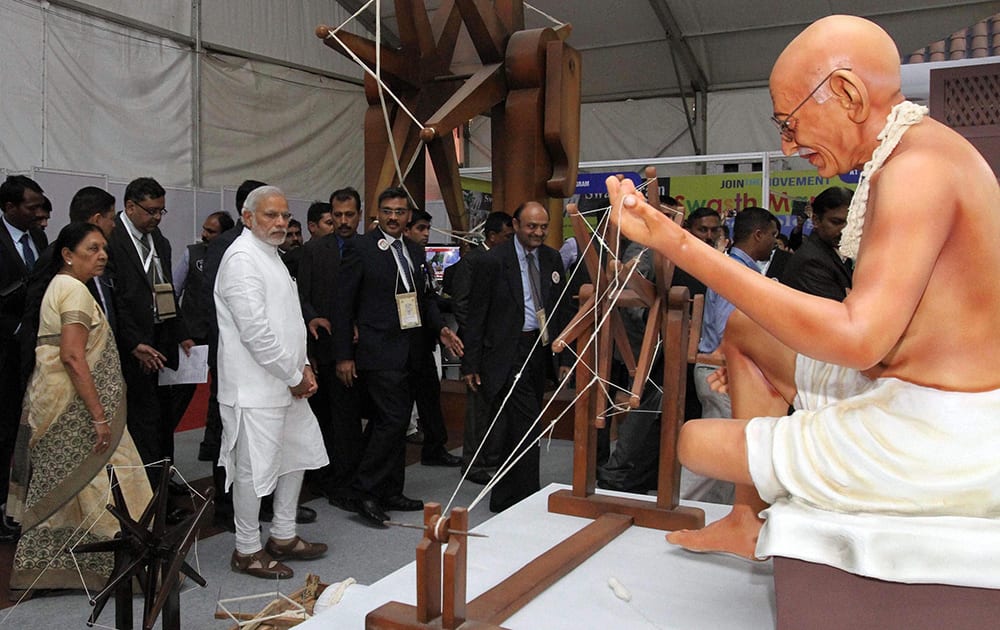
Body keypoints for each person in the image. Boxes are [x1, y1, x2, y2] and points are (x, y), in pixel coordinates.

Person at [605, 14, 1000, 588]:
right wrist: (760, 365)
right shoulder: (914, 152)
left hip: (939, 428)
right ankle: (746, 520)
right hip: (902, 382)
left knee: (696, 442)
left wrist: (676, 242)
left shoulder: (918, 170)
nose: (786, 144)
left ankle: (768, 494)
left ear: (846, 94)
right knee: (743, 332)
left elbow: (860, 337)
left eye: (789, 123)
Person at [7, 222, 151, 590]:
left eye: (104, 248)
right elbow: (73, 357)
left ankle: (48, 571)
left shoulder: (62, 286)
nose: (102, 255)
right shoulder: (72, 290)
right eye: (91, 249)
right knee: (109, 484)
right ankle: (126, 567)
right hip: (75, 409)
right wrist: (99, 416)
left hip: (55, 403)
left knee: (69, 488)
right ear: (68, 255)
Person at [215, 185, 328, 580]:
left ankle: (282, 535)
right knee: (251, 470)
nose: (280, 223)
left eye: (284, 216)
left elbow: (288, 322)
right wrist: (295, 375)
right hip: (254, 388)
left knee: (294, 459)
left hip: (286, 382)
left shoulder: (272, 257)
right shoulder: (242, 260)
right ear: (247, 218)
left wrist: (302, 369)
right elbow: (256, 333)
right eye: (270, 215)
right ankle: (246, 549)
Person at [333, 187, 463, 527]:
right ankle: (363, 490)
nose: (394, 217)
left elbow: (425, 299)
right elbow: (342, 305)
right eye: (388, 211)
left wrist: (441, 330)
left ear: (408, 216)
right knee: (391, 420)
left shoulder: (415, 251)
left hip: (412, 351)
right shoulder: (361, 248)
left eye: (400, 212)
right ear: (378, 213)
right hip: (376, 351)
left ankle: (390, 490)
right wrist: (344, 355)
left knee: (393, 420)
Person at [461, 201, 567, 512]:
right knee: (525, 424)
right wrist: (471, 363)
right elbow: (476, 315)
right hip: (506, 351)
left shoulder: (552, 258)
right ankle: (526, 498)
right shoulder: (493, 261)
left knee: (516, 424)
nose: (538, 232)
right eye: (532, 226)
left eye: (543, 227)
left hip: (540, 348)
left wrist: (563, 358)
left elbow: (560, 310)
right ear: (516, 225)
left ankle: (506, 498)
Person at [106, 177, 193, 492]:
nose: (157, 217)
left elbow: (166, 290)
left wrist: (181, 332)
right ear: (130, 206)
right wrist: (133, 343)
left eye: (161, 211)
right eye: (151, 211)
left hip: (162, 339)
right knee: (141, 419)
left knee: (162, 417)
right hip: (131, 345)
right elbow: (114, 303)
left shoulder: (161, 242)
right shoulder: (111, 240)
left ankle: (163, 477)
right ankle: (145, 488)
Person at [297, 186, 366, 511]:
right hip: (323, 346)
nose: (342, 221)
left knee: (350, 418)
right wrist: (313, 317)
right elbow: (303, 296)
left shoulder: (369, 248)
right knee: (324, 416)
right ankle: (324, 476)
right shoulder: (314, 250)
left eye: (349, 215)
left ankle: (348, 478)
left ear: (359, 215)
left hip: (359, 347)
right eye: (337, 215)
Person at [0, 175, 49, 542]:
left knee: (24, 432)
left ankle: (21, 505)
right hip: (4, 351)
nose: (38, 212)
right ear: (9, 208)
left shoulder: (39, 238)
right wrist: (16, 329)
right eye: (31, 206)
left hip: (31, 354)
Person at [448, 211, 513, 484]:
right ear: (492, 236)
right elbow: (461, 303)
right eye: (508, 236)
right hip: (478, 344)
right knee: (478, 407)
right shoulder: (473, 261)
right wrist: (479, 335)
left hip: (500, 344)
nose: (511, 241)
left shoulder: (505, 261)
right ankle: (472, 462)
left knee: (497, 404)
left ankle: (491, 456)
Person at [404, 209, 463, 467]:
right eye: (420, 229)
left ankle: (435, 448)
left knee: (430, 394)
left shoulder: (419, 257)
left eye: (428, 229)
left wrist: (441, 326)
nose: (426, 234)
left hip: (422, 339)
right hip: (398, 343)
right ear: (406, 230)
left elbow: (427, 298)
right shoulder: (391, 255)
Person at [780, 186, 853, 301]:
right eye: (836, 222)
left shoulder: (839, 253)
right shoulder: (811, 262)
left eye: (851, 223)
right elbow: (838, 314)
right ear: (816, 220)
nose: (845, 230)